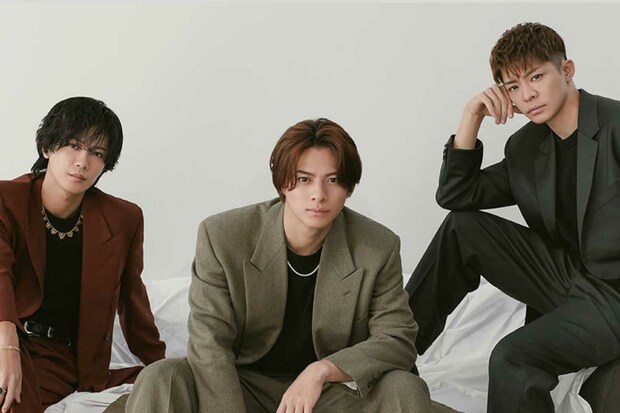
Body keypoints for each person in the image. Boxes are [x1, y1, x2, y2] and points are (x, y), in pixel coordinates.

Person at [124, 118, 456, 412]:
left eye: (333, 180)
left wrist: (321, 370)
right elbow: (210, 344)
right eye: (304, 179)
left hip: (327, 394)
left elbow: (397, 339)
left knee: (404, 387)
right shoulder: (223, 236)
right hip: (241, 386)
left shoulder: (377, 246)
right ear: (283, 183)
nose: (318, 194)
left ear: (349, 188)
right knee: (160, 377)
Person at [405, 22, 620, 413]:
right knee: (463, 228)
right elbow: (456, 196)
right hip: (565, 279)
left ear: (567, 70)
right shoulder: (526, 147)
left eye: (536, 77)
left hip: (614, 297)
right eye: (513, 87)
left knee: (511, 357)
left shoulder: (616, 125)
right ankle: (394, 349)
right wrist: (471, 115)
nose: (527, 95)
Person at [0, 97, 166, 413]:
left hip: (55, 357)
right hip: (4, 337)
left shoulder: (122, 219)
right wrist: (6, 345)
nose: (82, 161)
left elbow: (133, 303)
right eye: (73, 146)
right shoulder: (6, 200)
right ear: (47, 147)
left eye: (97, 153)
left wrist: (162, 367)